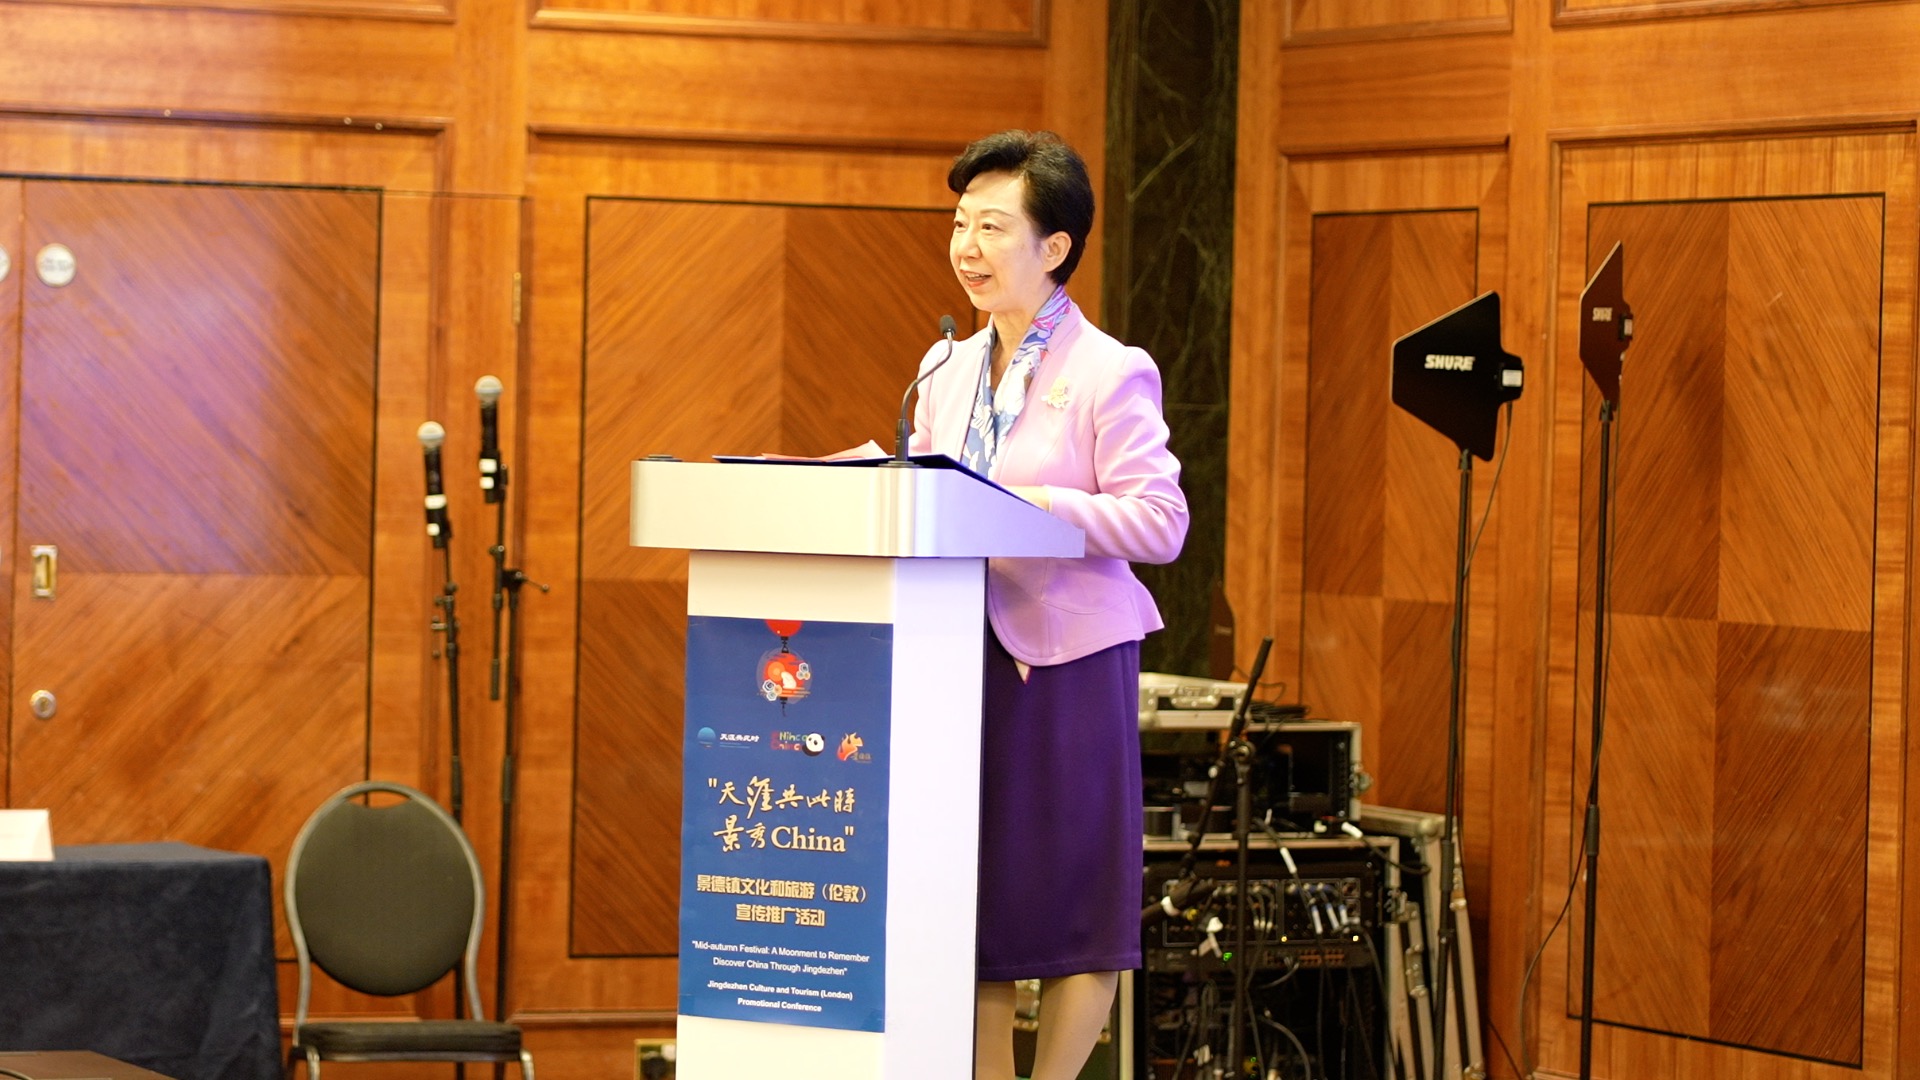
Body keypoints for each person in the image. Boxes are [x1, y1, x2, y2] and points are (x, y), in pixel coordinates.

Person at [906, 130, 1188, 1080]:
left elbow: (1160, 522)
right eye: (958, 224)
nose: (966, 247)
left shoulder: (1111, 369)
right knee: (978, 905)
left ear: (1054, 245)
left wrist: (1033, 509)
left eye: (992, 225)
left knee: (1074, 907)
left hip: (1068, 662)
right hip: (959, 658)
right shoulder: (943, 371)